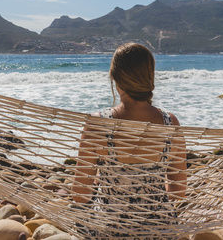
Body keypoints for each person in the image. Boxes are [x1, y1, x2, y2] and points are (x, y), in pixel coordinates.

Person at [72, 43, 187, 239]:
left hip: (110, 230)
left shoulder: (98, 125)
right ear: (150, 77)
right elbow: (178, 191)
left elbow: (80, 193)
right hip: (160, 231)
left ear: (115, 78)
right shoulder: (170, 124)